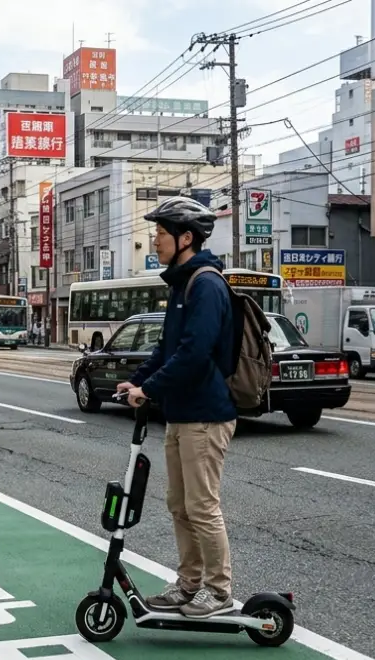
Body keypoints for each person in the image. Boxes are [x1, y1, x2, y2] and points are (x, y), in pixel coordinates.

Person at [115, 195, 238, 619]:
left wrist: (149, 392)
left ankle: (218, 592)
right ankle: (189, 584)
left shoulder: (205, 284)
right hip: (183, 414)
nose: (155, 241)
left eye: (162, 234)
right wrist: (139, 381)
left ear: (187, 238)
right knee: (180, 505)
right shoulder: (182, 283)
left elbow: (194, 354)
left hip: (206, 415)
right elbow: (167, 349)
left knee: (202, 506)